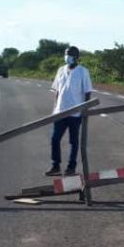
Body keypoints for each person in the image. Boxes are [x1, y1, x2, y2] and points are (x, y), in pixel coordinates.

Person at [46, 46, 92, 176]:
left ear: (76, 57)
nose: (67, 57)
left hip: (75, 112)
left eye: (70, 55)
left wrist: (85, 109)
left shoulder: (83, 72)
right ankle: (55, 166)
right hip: (60, 111)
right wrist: (55, 108)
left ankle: (71, 167)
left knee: (74, 141)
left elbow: (87, 92)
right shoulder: (61, 70)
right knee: (55, 139)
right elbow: (57, 90)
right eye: (66, 54)